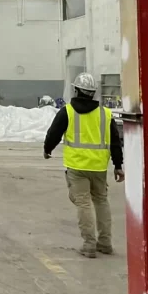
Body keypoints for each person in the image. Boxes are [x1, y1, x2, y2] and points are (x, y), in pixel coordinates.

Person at [43, 72, 124, 258]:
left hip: (77, 167)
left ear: (76, 90)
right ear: (93, 93)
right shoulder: (105, 114)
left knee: (83, 203)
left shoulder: (68, 111)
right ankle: (105, 243)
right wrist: (118, 165)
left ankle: (89, 244)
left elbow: (53, 133)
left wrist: (48, 150)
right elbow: (115, 141)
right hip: (99, 168)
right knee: (101, 202)